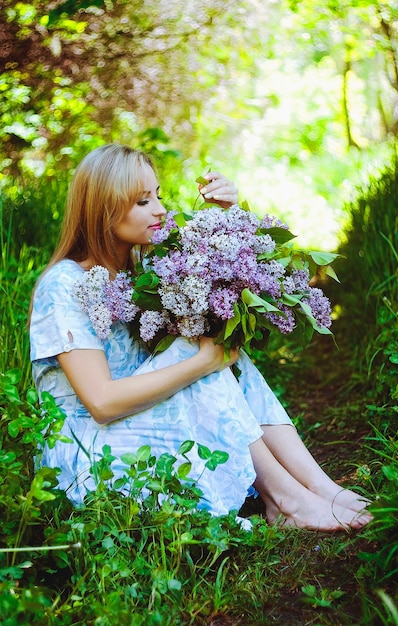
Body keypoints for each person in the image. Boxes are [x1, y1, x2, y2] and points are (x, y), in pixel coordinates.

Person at [29, 144, 372, 531]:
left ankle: (320, 488)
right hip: (87, 456)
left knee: (218, 350)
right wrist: (202, 363)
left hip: (128, 427)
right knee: (200, 356)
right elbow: (103, 403)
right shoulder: (65, 285)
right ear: (103, 210)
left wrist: (224, 219)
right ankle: (286, 501)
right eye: (143, 201)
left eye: (158, 195)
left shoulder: (136, 274)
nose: (160, 209)